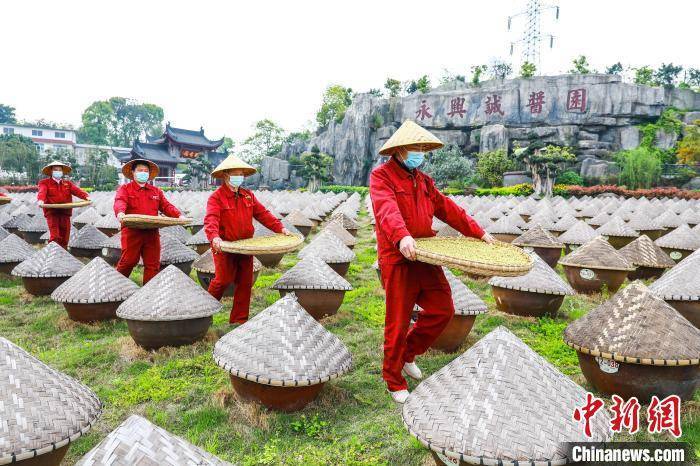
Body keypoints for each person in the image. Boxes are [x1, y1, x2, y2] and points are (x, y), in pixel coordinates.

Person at [370, 120, 495, 404]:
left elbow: (449, 209)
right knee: (398, 321)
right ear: (400, 149)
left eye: (422, 148)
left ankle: (407, 354)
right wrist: (402, 236)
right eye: (415, 147)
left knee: (443, 309)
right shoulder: (382, 177)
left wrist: (479, 232)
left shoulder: (424, 180)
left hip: (426, 255)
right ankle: (393, 378)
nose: (420, 153)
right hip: (398, 257)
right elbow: (386, 209)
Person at [204, 154, 293, 324]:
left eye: (241, 174)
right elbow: (211, 219)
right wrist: (214, 238)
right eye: (235, 174)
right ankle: (203, 312)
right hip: (225, 247)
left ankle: (239, 320)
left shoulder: (248, 195)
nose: (239, 177)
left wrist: (280, 228)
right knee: (222, 280)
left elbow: (263, 214)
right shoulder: (216, 197)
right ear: (226, 175)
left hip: (246, 246)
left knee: (245, 282)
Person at [113, 158, 183, 285]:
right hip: (132, 232)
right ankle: (117, 285)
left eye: (146, 171)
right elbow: (120, 201)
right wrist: (120, 212)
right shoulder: (125, 189)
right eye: (140, 170)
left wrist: (179, 215)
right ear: (133, 172)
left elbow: (166, 206)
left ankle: (148, 292)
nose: (143, 173)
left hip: (151, 233)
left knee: (153, 264)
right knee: (128, 261)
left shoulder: (156, 191)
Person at [36, 161, 90, 249]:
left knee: (65, 237)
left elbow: (77, 191)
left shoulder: (67, 184)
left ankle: (63, 253)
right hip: (52, 213)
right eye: (55, 170)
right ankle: (52, 253)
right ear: (51, 171)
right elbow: (42, 192)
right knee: (55, 237)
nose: (58, 171)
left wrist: (86, 197)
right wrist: (41, 200)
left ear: (62, 172)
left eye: (59, 170)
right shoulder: (44, 183)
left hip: (65, 213)